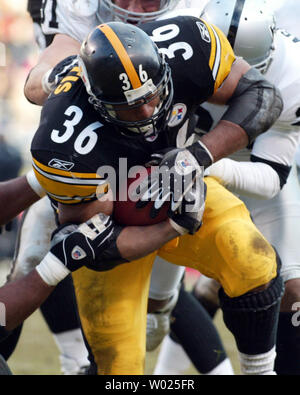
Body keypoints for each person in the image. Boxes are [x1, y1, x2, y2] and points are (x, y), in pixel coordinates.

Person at [0, 16, 284, 376]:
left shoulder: (186, 43)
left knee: (254, 261)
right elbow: (97, 245)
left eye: (152, 97)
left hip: (187, 185)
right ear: (97, 101)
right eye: (130, 107)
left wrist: (198, 155)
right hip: (121, 229)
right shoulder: (63, 142)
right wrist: (173, 228)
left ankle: (262, 372)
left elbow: (262, 95)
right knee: (119, 370)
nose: (148, 113)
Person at [154, 0, 300, 376]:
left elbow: (270, 178)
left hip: (240, 167)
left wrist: (211, 164)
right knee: (157, 310)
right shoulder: (172, 43)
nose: (230, 86)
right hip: (178, 165)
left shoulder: (292, 74)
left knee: (293, 286)